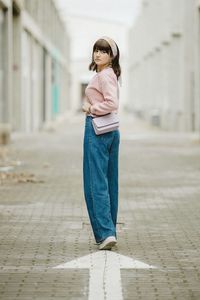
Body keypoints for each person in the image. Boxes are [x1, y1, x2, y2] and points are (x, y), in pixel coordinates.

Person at [82, 36, 121, 250]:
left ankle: (105, 233)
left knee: (94, 181)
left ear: (111, 56)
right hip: (111, 130)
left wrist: (91, 108)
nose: (98, 54)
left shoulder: (104, 75)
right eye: (96, 50)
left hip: (97, 128)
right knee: (109, 181)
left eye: (104, 51)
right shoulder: (109, 75)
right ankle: (109, 231)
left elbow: (111, 103)